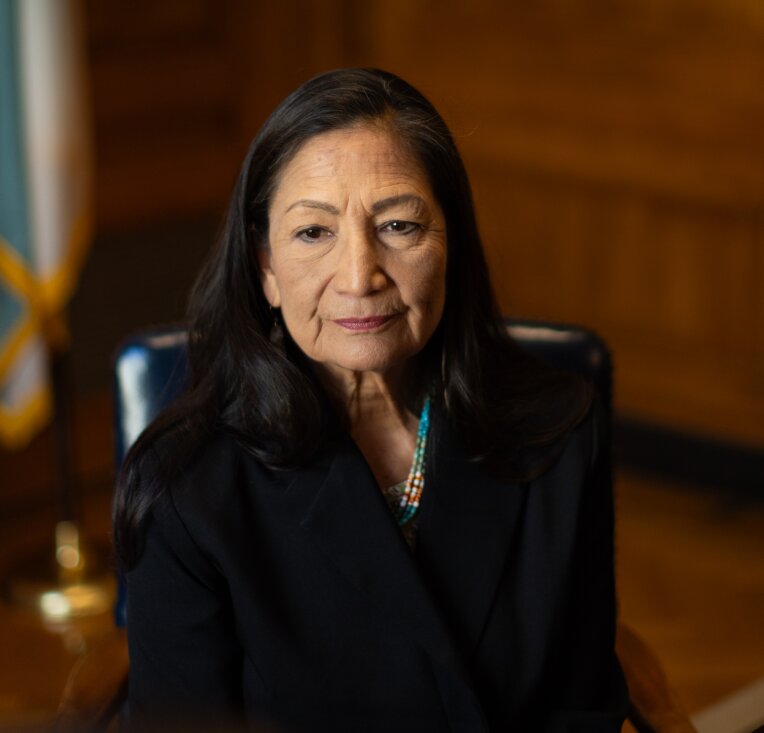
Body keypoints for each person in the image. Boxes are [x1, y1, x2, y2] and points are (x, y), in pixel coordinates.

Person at [112, 68, 628, 732]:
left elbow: (581, 705)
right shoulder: (184, 489)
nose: (360, 275)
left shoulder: (561, 431)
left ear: (451, 246)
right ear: (265, 266)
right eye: (312, 233)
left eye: (399, 225)